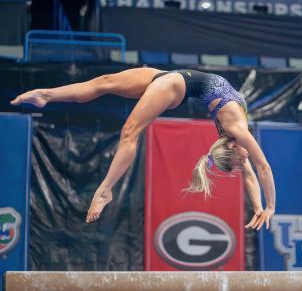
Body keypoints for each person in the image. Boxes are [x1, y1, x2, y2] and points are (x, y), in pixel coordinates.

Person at [11, 67, 276, 229]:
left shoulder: (234, 137)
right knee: (104, 83)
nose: (245, 161)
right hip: (171, 80)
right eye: (241, 161)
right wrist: (270, 207)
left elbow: (251, 174)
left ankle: (105, 189)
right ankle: (46, 94)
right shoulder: (237, 132)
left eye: (240, 162)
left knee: (129, 130)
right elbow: (261, 168)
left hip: (175, 83)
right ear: (234, 148)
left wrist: (257, 206)